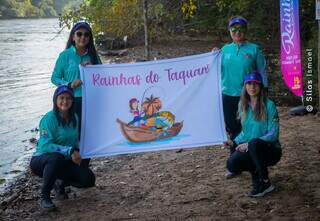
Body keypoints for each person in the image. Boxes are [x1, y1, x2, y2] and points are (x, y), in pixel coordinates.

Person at [213, 16, 268, 178]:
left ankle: (254, 164)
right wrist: (212, 57)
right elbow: (214, 71)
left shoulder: (254, 50)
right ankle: (234, 164)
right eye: (234, 29)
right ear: (229, 31)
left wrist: (263, 95)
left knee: (249, 129)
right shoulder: (224, 51)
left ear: (245, 31)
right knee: (233, 130)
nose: (237, 32)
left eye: (240, 29)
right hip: (227, 96)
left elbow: (263, 73)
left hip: (248, 96)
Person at [30, 85, 96, 210]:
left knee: (88, 180)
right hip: (42, 160)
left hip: (64, 160)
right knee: (55, 158)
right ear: (55, 100)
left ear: (72, 101)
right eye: (61, 98)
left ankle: (59, 182)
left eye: (68, 98)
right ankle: (45, 197)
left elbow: (75, 141)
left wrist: (83, 150)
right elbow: (45, 145)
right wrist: (70, 151)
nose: (65, 101)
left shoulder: (74, 117)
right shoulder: (48, 118)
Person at [224, 72, 281, 197]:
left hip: (270, 149)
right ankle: (256, 172)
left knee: (254, 143)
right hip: (252, 148)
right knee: (231, 164)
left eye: (255, 84)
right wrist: (233, 142)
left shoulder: (269, 105)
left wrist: (249, 144)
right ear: (245, 86)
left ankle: (265, 183)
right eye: (249, 83)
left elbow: (273, 133)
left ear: (260, 86)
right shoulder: (242, 105)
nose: (252, 87)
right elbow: (245, 131)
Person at [51, 21, 102, 138]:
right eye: (79, 34)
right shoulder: (65, 55)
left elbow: (103, 77)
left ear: (89, 38)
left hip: (90, 100)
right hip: (70, 101)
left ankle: (86, 156)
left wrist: (94, 68)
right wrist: (69, 84)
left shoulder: (93, 56)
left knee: (88, 133)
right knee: (72, 133)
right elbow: (54, 78)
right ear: (73, 37)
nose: (82, 37)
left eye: (86, 35)